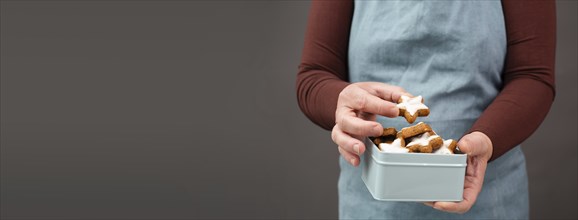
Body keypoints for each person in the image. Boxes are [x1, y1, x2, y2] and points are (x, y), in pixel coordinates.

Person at [296, 0, 555, 219]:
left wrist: (487, 139)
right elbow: (314, 76)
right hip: (370, 203)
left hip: (489, 197)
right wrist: (340, 104)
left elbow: (532, 76)